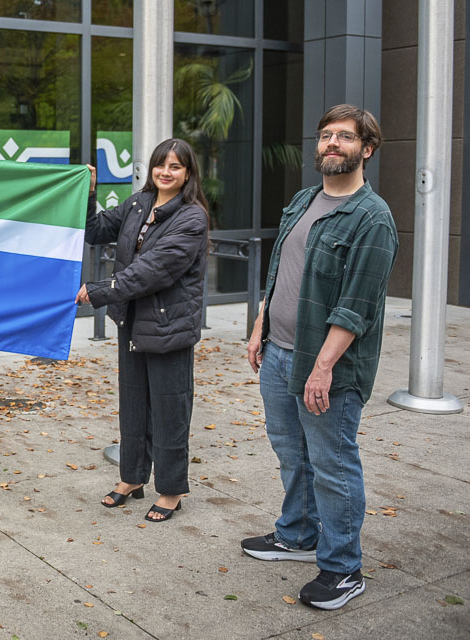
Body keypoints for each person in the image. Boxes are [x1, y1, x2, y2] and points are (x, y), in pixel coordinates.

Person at [241, 104, 397, 610]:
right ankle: (297, 535)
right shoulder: (304, 199)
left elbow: (357, 306)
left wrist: (323, 367)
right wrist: (260, 326)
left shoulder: (372, 218)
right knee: (292, 456)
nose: (332, 144)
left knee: (333, 466)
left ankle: (343, 568)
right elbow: (280, 270)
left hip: (326, 367)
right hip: (279, 353)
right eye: (326, 135)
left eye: (345, 138)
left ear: (366, 150)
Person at [77, 138, 210, 523]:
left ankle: (171, 490)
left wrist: (100, 291)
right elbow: (94, 229)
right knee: (134, 407)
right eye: (160, 165)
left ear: (188, 174)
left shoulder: (191, 217)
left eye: (175, 167)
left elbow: (153, 270)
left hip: (169, 326)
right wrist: (87, 192)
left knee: (170, 411)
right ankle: (131, 479)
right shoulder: (138, 203)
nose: (166, 172)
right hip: (133, 323)